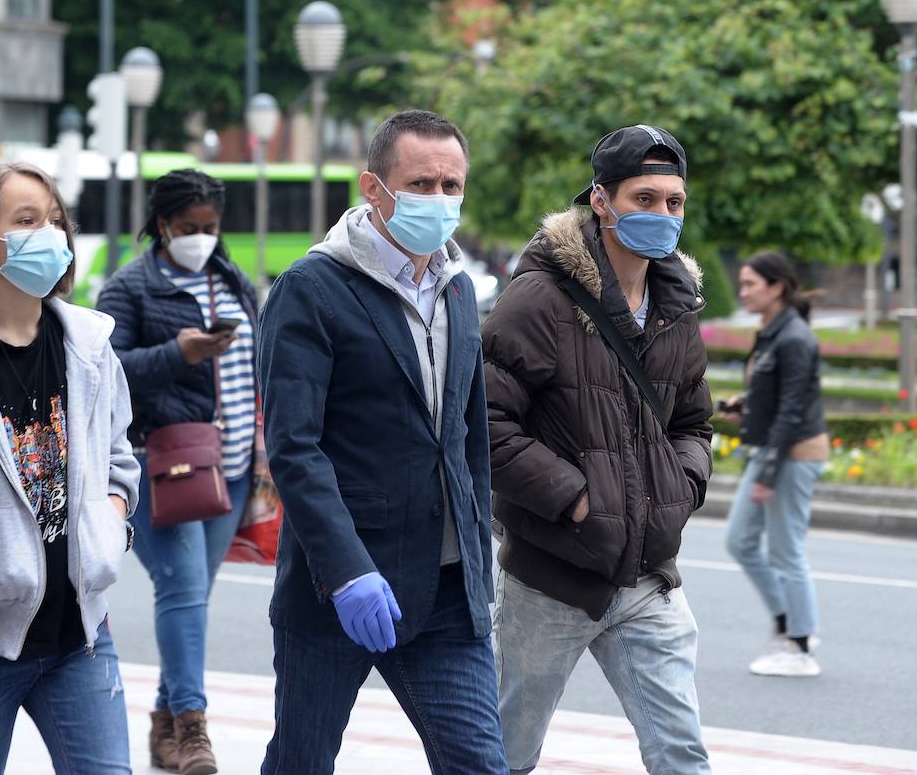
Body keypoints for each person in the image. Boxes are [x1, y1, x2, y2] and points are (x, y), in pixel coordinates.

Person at [257, 109, 506, 775]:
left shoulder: (457, 288)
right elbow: (294, 447)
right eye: (421, 183)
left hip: (446, 587)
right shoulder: (312, 289)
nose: (440, 199)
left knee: (480, 764)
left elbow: (466, 438)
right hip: (342, 586)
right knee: (301, 762)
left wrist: (478, 558)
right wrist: (346, 571)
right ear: (373, 187)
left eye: (452, 185)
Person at [484, 124, 713, 774]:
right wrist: (574, 498)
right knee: (504, 754)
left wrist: (678, 492)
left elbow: (694, 424)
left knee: (682, 753)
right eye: (645, 198)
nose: (662, 214)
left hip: (649, 577)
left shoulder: (677, 306)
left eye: (674, 201)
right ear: (601, 200)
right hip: (550, 577)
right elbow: (485, 420)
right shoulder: (540, 297)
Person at [0, 160, 139, 774]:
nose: (49, 234)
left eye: (55, 220)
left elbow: (119, 456)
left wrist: (110, 523)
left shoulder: (89, 342)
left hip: (82, 636)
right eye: (26, 221)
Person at [96, 168, 256, 775]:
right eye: (190, 228)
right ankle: (191, 729)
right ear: (162, 225)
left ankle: (164, 724)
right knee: (184, 591)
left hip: (230, 464)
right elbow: (105, 371)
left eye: (211, 227)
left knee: (191, 597)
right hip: (162, 464)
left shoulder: (230, 277)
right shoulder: (130, 288)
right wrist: (178, 354)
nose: (202, 239)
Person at [723, 251, 827, 678]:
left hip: (792, 455)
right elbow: (775, 394)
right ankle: (789, 620)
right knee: (739, 541)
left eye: (751, 284)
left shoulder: (795, 337)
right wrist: (745, 405)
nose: (743, 291)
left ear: (777, 287)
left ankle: (800, 647)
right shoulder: (773, 331)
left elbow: (793, 409)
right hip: (772, 450)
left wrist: (768, 474)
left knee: (786, 551)